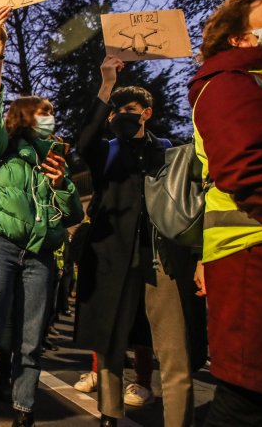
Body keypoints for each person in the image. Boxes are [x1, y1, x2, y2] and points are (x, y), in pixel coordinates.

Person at [74, 55, 208, 427]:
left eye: (129, 109)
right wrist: (106, 84)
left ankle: (179, 420)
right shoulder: (105, 152)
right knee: (111, 342)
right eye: (115, 111)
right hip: (113, 261)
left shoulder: (168, 152)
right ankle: (109, 412)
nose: (120, 116)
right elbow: (84, 139)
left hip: (161, 259)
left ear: (147, 112)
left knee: (174, 350)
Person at [0, 6, 84, 427]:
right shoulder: (0, 152)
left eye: (53, 111)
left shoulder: (55, 159)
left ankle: (23, 409)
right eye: (43, 111)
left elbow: (73, 214)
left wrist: (63, 184)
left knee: (30, 341)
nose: (51, 117)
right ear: (23, 116)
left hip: (41, 256)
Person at [188, 0, 262, 427]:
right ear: (240, 38)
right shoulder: (231, 85)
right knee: (247, 401)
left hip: (249, 252)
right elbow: (248, 171)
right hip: (254, 252)